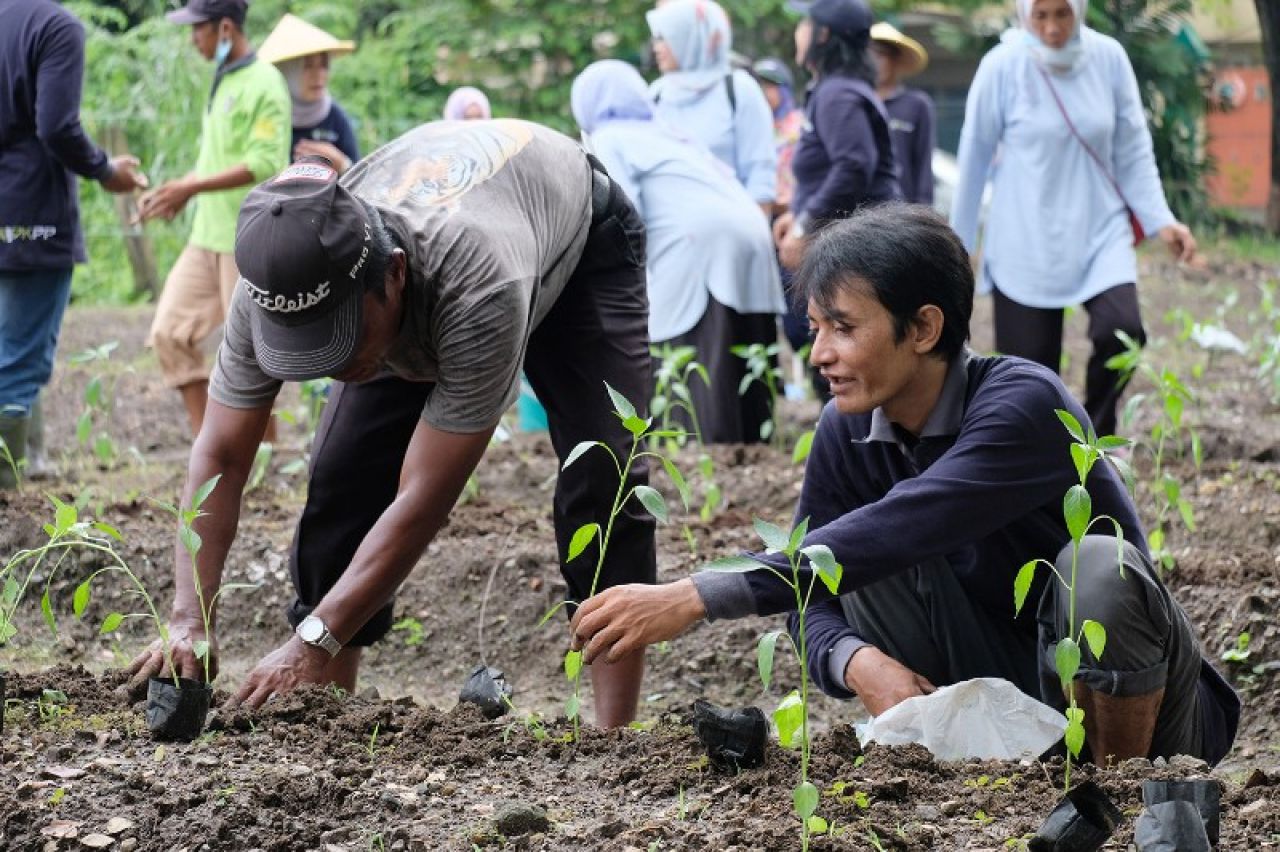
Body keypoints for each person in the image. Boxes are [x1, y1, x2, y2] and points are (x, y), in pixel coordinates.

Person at [568, 205, 1240, 767]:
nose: (820, 354)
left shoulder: (1024, 403)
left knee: (1095, 566)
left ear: (923, 328)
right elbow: (815, 595)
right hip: (1005, 712)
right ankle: (1021, 777)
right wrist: (857, 661)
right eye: (816, 330)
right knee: (840, 553)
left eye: (843, 328)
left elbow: (909, 525)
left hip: (1158, 722)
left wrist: (696, 594)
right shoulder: (847, 430)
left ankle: (1115, 793)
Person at [125, 119, 657, 728]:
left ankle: (615, 736)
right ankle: (328, 718)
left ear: (395, 276)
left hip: (576, 238)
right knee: (342, 486)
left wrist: (310, 639)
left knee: (604, 476)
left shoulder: (478, 286)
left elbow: (424, 497)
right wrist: (189, 618)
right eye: (310, 350)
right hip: (427, 273)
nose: (335, 367)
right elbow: (220, 455)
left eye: (342, 340)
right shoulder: (272, 285)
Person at [950, 0, 1198, 436]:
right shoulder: (1002, 66)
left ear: (1079, 10)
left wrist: (1161, 219)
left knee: (1122, 331)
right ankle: (1043, 458)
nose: (1051, 28)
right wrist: (958, 246)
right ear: (1024, 13)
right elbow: (973, 159)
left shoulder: (1108, 59)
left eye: (1062, 13)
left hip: (1099, 228)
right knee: (1029, 377)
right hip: (1024, 234)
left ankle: (1094, 437)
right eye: (1040, 15)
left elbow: (1133, 149)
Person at [572, 60, 784, 444]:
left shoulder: (610, 138)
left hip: (698, 245)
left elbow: (625, 213)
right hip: (750, 233)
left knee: (690, 362)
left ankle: (705, 450)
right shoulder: (668, 132)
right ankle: (751, 448)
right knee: (744, 359)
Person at [0, 0, 150, 489]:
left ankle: (28, 464)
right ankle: (7, 495)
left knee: (9, 344)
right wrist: (105, 170)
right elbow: (56, 125)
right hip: (32, 213)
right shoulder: (55, 26)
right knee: (19, 360)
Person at [138, 0, 291, 438]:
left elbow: (263, 162)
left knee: (253, 354)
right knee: (169, 333)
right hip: (205, 237)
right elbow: (218, 161)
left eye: (198, 29)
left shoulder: (265, 82)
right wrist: (180, 189)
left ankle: (264, 454)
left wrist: (193, 188)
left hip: (247, 240)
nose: (193, 40)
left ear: (225, 28)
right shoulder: (223, 79)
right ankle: (208, 447)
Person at [774, 0, 900, 273]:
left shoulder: (838, 95)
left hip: (854, 256)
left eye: (805, 23)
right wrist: (797, 212)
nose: (798, 31)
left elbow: (853, 166)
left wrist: (804, 226)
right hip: (845, 246)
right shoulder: (833, 89)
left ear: (822, 34)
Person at [646, 0, 778, 214]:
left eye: (665, 37)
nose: (657, 47)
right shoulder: (657, 93)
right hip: (666, 227)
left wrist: (757, 227)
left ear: (690, 38)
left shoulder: (739, 89)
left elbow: (760, 171)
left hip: (731, 225)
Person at [259, 13, 360, 174]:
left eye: (323, 65)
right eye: (307, 66)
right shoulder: (269, 115)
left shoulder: (335, 117)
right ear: (286, 71)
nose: (318, 75)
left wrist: (341, 164)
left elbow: (360, 178)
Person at [870, 22, 935, 205]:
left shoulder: (916, 105)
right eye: (869, 54)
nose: (874, 62)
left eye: (880, 54)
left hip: (901, 209)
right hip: (860, 211)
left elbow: (924, 164)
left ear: (895, 59)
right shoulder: (856, 103)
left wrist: (922, 212)